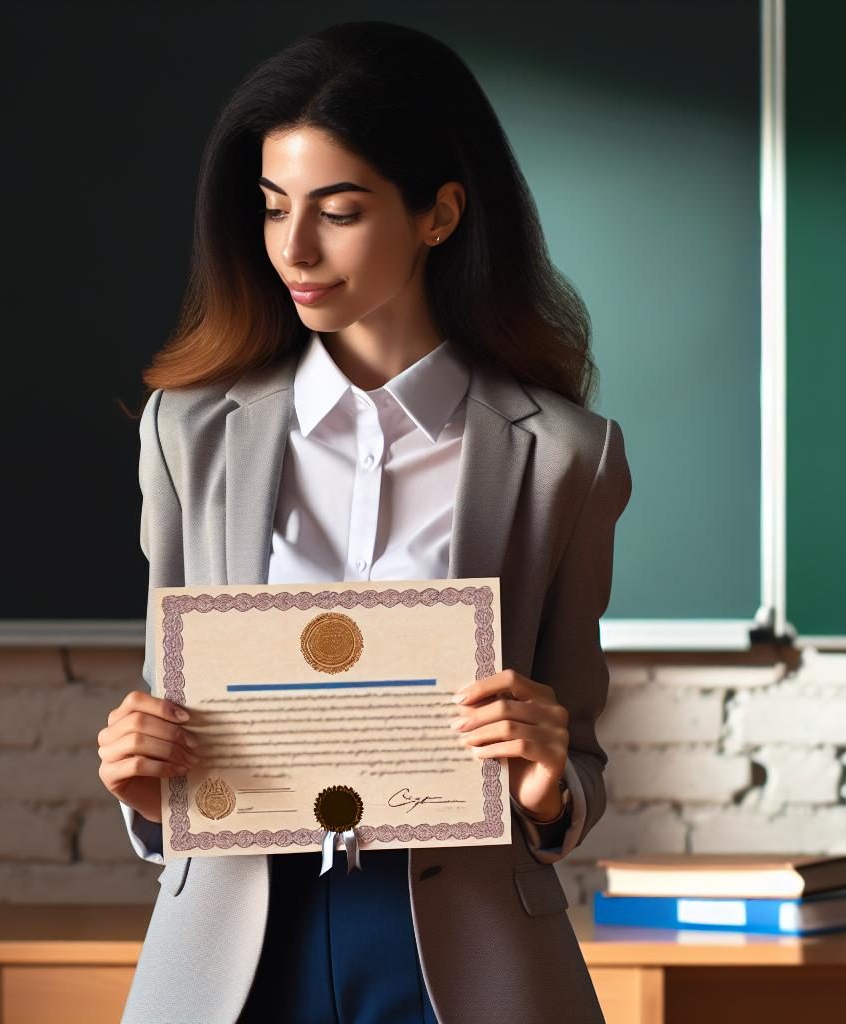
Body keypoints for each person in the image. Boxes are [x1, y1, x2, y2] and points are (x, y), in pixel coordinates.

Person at [96, 19, 632, 1024]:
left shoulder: (563, 455)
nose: (293, 248)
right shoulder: (187, 433)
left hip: (462, 950)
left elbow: (578, 761)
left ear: (439, 214)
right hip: (236, 945)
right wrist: (142, 781)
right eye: (270, 209)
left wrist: (548, 783)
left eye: (338, 211)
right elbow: (172, 716)